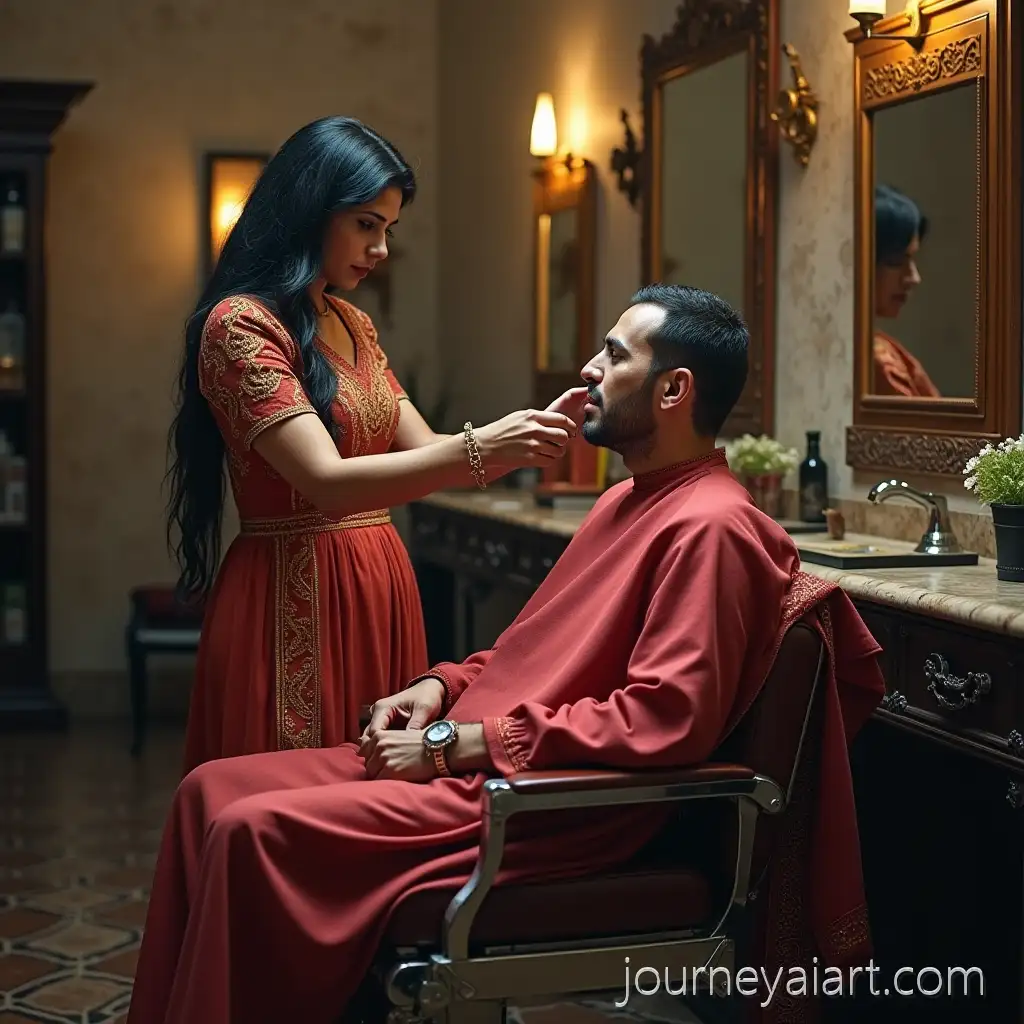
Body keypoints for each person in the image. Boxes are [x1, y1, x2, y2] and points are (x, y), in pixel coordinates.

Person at [131, 284, 885, 1024]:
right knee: (207, 791)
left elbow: (661, 719)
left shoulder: (713, 527)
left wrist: (454, 746)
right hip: (484, 763)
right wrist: (441, 686)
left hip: (546, 806)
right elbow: (535, 650)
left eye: (614, 354)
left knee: (248, 831)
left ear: (673, 389)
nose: (589, 368)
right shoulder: (626, 500)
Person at [168, 116, 583, 773]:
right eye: (366, 224)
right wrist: (484, 445)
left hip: (378, 582)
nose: (381, 249)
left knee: (375, 778)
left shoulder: (353, 323)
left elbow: (430, 450)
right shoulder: (241, 324)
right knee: (293, 792)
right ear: (311, 209)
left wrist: (532, 434)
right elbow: (324, 480)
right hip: (293, 587)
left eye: (388, 229)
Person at [872, 183, 940, 398]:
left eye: (911, 260)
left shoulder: (884, 350)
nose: (913, 278)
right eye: (895, 261)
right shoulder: (878, 363)